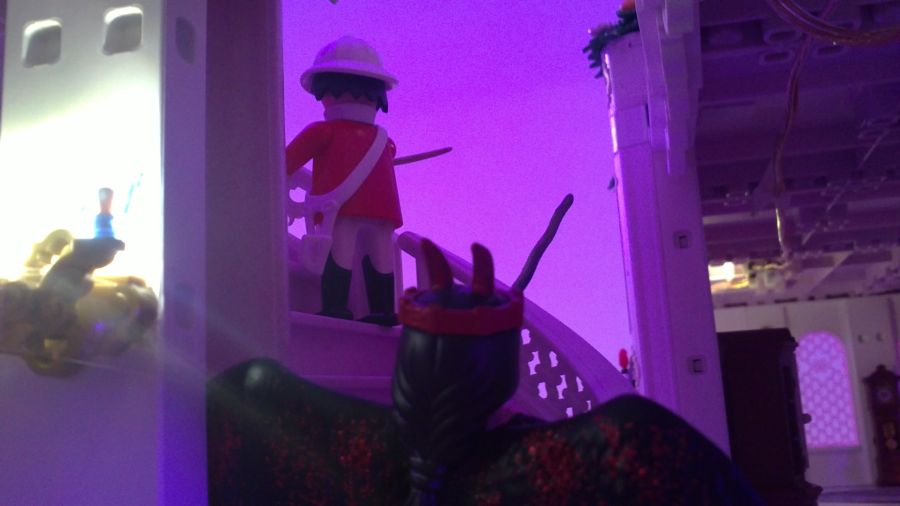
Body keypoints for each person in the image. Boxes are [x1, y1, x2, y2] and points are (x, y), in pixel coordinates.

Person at [286, 36, 400, 326]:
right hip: (383, 209)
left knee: (340, 252)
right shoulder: (383, 140)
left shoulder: (322, 132)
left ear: (325, 92)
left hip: (342, 207)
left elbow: (285, 162)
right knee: (380, 256)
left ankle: (336, 306)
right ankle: (383, 310)